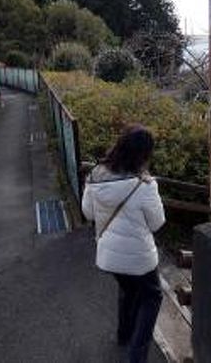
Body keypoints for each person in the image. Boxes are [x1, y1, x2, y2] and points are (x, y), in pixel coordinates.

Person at [82, 124, 165, 363]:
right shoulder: (145, 185)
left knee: (128, 290)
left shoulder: (95, 175)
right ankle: (136, 356)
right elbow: (157, 223)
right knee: (152, 297)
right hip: (139, 258)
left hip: (108, 256)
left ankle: (123, 335)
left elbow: (88, 213)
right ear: (143, 154)